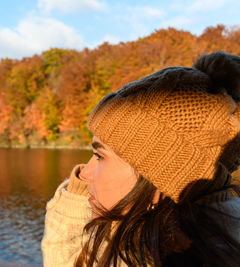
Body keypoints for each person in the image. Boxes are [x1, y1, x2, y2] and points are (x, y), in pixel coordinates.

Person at [41, 51, 240, 267]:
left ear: (162, 177)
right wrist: (77, 197)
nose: (84, 173)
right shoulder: (148, 235)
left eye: (99, 156)